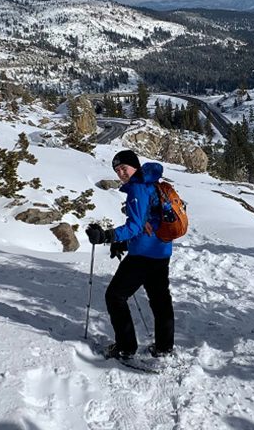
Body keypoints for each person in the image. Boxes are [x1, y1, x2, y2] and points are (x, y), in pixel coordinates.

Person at [86, 149, 174, 359]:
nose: (121, 173)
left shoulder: (137, 188)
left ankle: (126, 347)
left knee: (115, 297)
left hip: (143, 255)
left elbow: (135, 226)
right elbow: (148, 222)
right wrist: (124, 244)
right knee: (160, 300)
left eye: (124, 168)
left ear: (134, 165)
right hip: (161, 251)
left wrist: (107, 236)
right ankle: (164, 348)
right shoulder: (150, 183)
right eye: (117, 170)